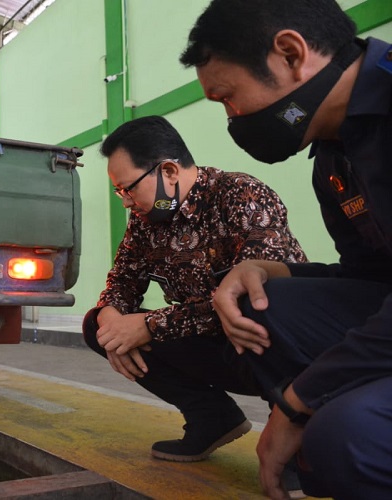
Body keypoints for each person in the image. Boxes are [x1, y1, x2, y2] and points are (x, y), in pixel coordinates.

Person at [181, 1, 392, 497]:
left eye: (228, 98)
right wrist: (274, 270)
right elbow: (371, 280)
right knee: (262, 301)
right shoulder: (336, 158)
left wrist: (297, 404)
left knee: (347, 440)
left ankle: (339, 438)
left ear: (291, 53)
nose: (233, 119)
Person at [83, 116, 307, 464]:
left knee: (259, 310)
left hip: (274, 343)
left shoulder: (240, 194)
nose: (126, 202)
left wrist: (147, 325)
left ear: (169, 171)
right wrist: (111, 318)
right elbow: (122, 282)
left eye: (129, 189)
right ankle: (213, 418)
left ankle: (296, 432)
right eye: (119, 192)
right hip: (212, 339)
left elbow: (250, 297)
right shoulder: (147, 218)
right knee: (96, 325)